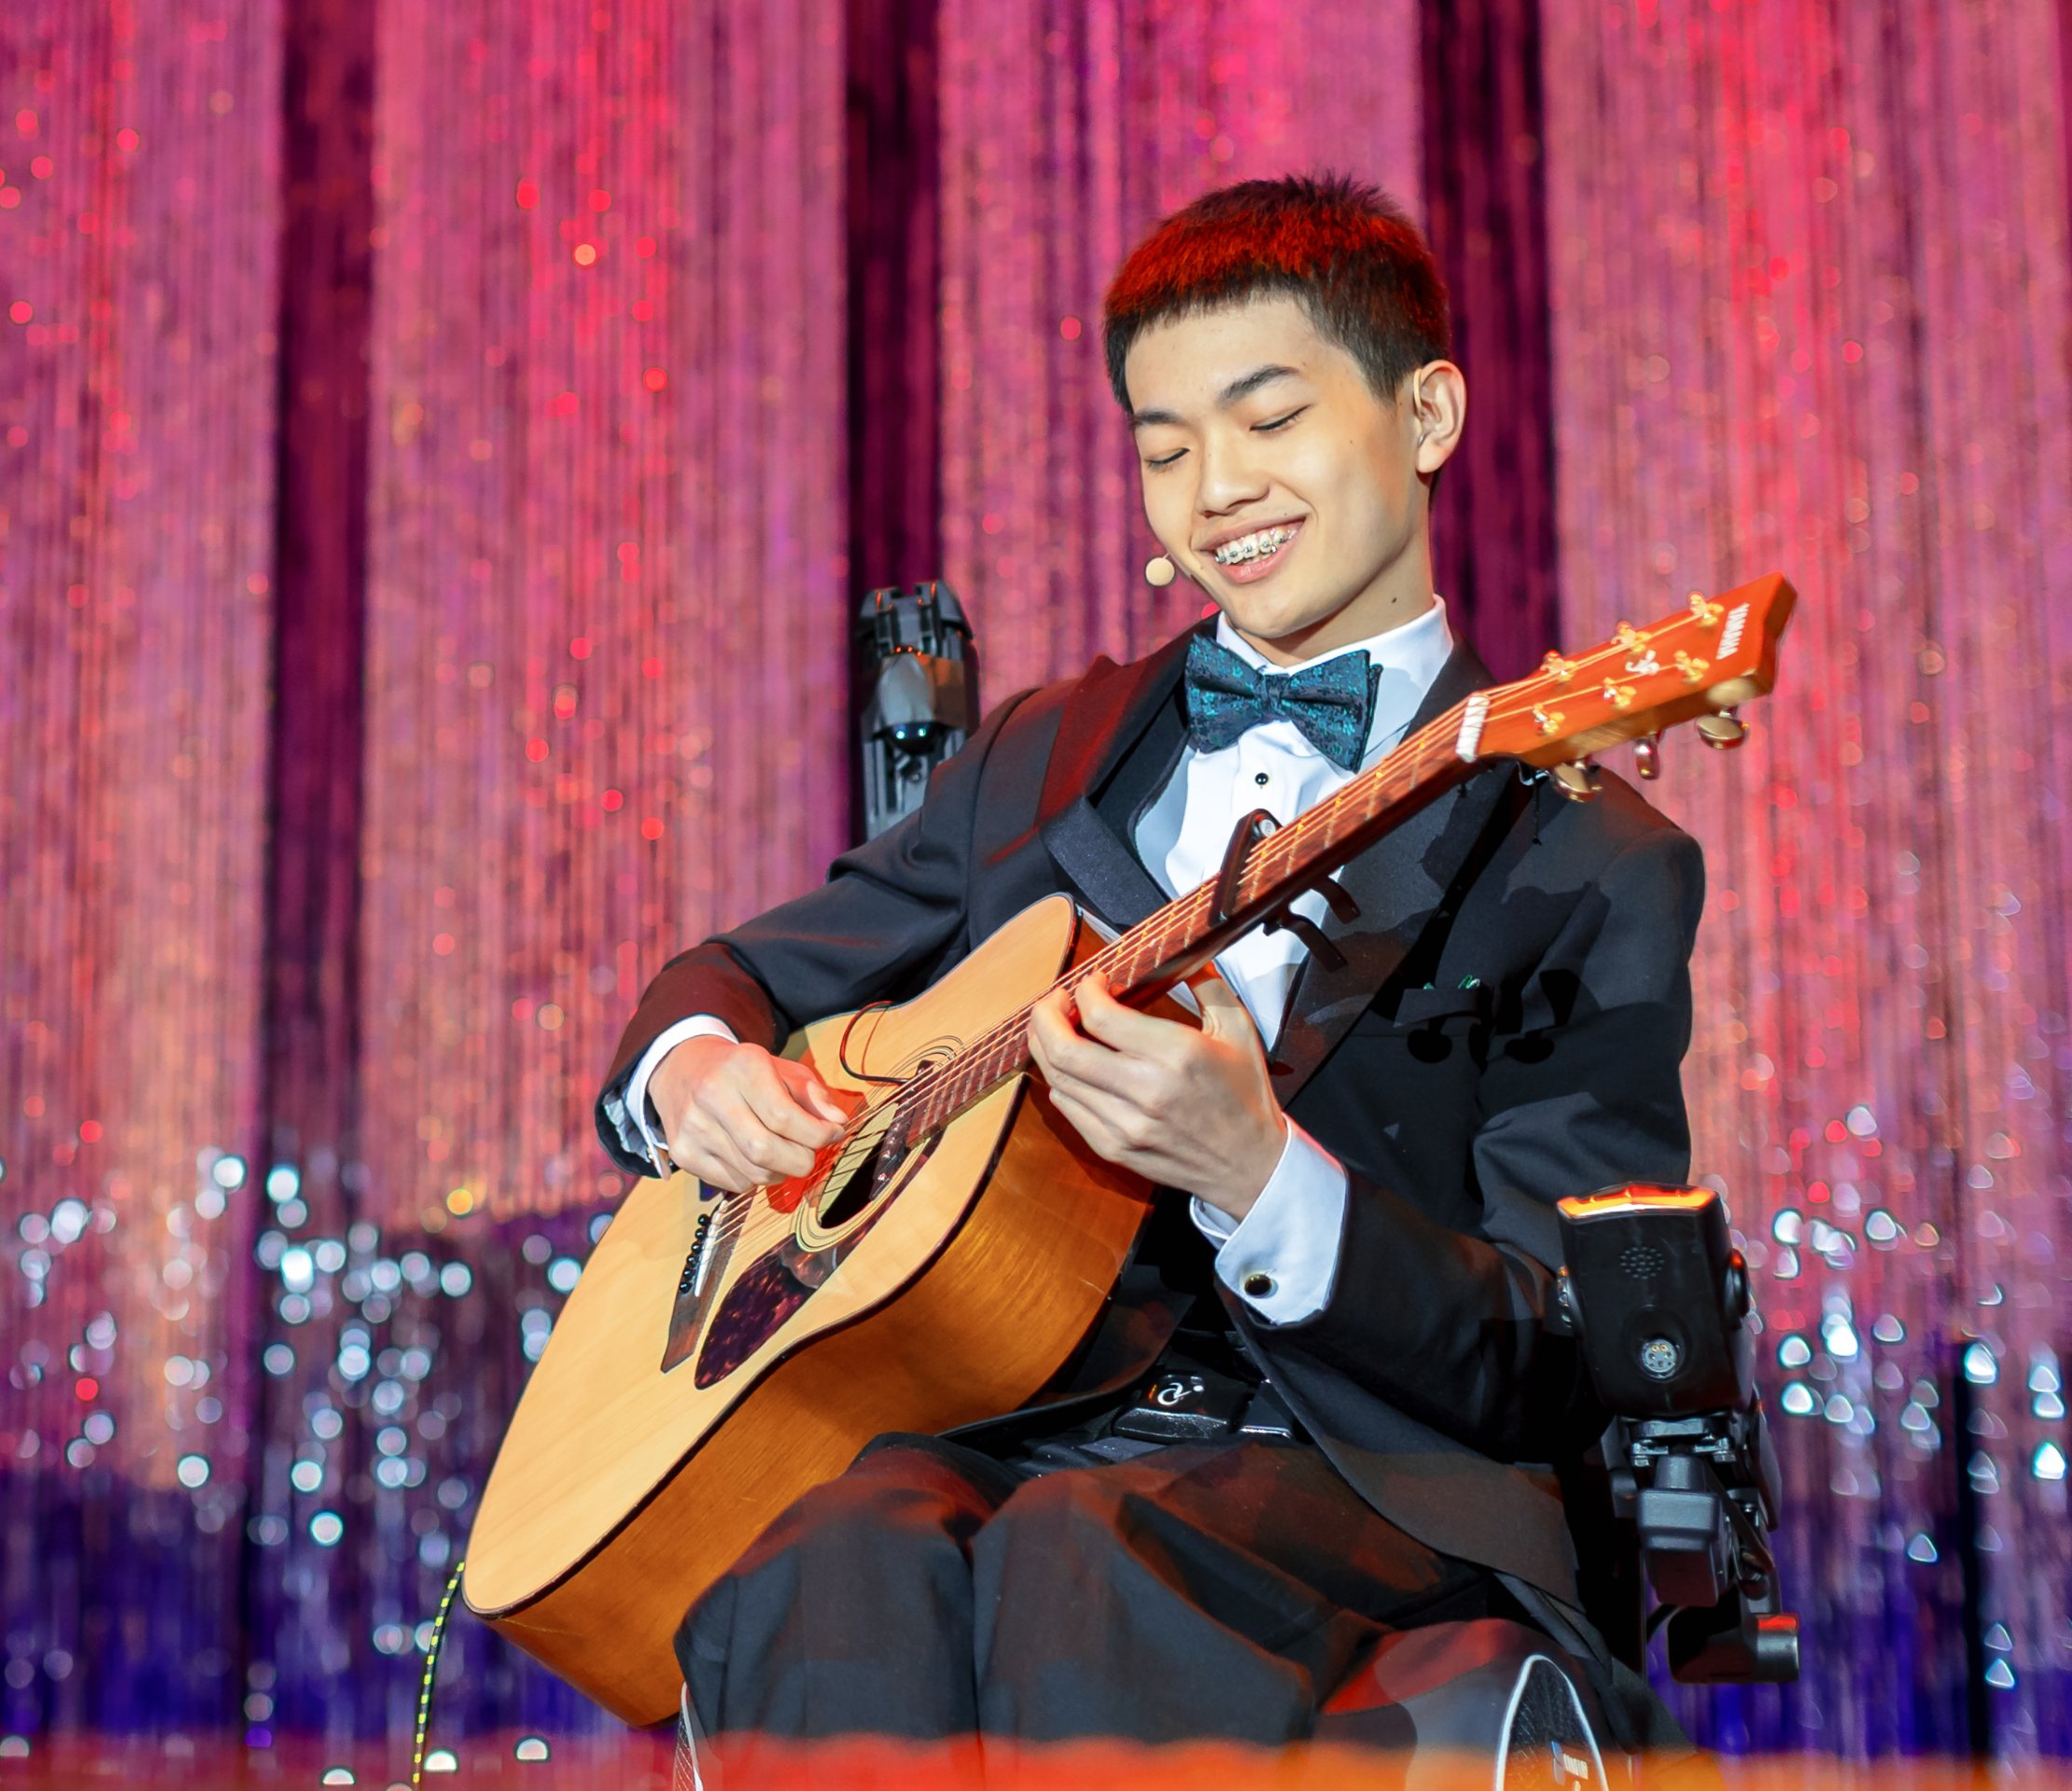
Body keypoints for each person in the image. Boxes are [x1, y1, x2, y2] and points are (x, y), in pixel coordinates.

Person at [594, 173, 1704, 1754]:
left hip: (1365, 1460)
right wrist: (694, 1067)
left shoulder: (1583, 856)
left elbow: (1566, 1346)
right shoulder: (1044, 754)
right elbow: (744, 973)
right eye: (1164, 447)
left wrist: (1263, 1176)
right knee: (823, 1559)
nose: (1216, 491)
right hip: (1016, 1410)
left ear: (1429, 414)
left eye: (1269, 419)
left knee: (1085, 1559)